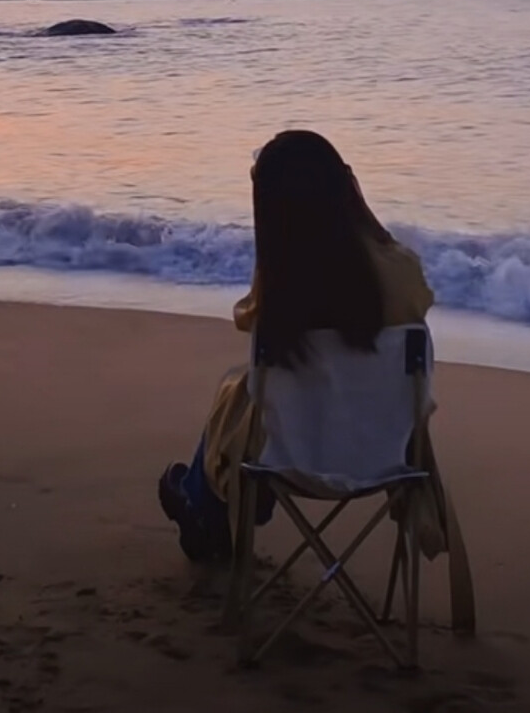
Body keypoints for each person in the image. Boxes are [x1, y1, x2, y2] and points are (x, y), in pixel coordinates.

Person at [158, 129, 435, 562]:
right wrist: (364, 214)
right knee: (241, 392)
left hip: (287, 458)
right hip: (382, 456)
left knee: (238, 390)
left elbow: (244, 318)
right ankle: (197, 506)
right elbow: (420, 292)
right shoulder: (399, 273)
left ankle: (200, 507)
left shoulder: (281, 286)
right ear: (345, 191)